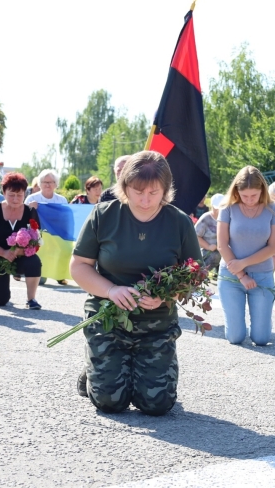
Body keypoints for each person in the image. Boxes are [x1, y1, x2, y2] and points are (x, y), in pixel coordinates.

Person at [71, 151, 201, 415]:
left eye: (153, 192)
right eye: (137, 191)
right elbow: (79, 267)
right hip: (109, 318)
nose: (144, 200)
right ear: (124, 186)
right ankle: (96, 363)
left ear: (165, 189)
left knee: (157, 405)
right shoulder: (103, 215)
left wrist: (167, 296)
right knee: (110, 402)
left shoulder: (179, 222)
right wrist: (111, 290)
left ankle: (133, 367)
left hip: (156, 324)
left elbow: (193, 276)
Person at [217, 166, 275, 346]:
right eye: (245, 196)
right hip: (231, 276)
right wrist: (241, 275)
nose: (250, 200)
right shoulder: (227, 207)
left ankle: (263, 322)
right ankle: (236, 321)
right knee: (235, 337)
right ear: (236, 191)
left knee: (261, 339)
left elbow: (272, 247)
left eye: (254, 195)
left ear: (262, 190)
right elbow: (222, 244)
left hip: (262, 275)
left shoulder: (272, 208)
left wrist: (243, 263)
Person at [0, 172, 43, 309]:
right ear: (4, 192)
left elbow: (38, 239)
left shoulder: (30, 212)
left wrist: (22, 251)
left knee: (34, 261)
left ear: (25, 194)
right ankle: (3, 290)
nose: (16, 199)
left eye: (20, 195)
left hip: (22, 256)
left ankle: (31, 299)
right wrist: (4, 252)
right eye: (11, 194)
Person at [195, 193, 224, 271]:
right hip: (207, 251)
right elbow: (195, 236)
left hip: (222, 250)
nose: (218, 210)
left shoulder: (227, 218)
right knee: (215, 256)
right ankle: (202, 273)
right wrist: (208, 246)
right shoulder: (206, 218)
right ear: (212, 206)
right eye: (216, 208)